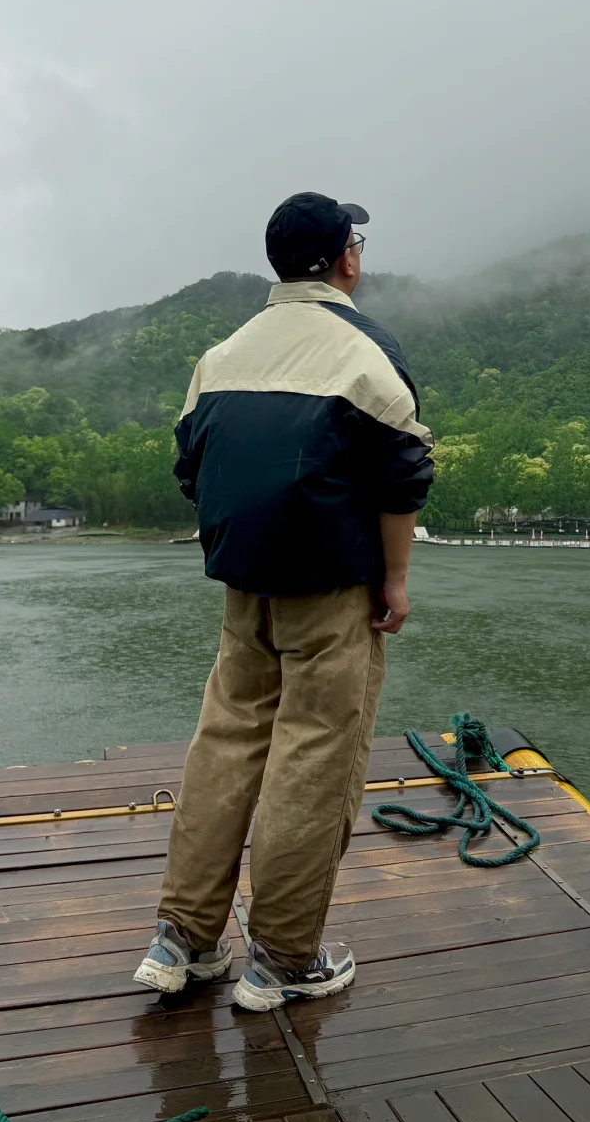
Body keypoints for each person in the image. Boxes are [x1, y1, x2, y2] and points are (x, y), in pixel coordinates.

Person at [133, 191, 434, 1010]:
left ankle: (183, 940)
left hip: (244, 587)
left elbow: (191, 469)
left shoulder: (221, 356)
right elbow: (404, 475)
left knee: (224, 746)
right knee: (314, 760)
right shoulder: (366, 355)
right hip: (333, 593)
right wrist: (395, 581)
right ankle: (283, 959)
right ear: (346, 258)